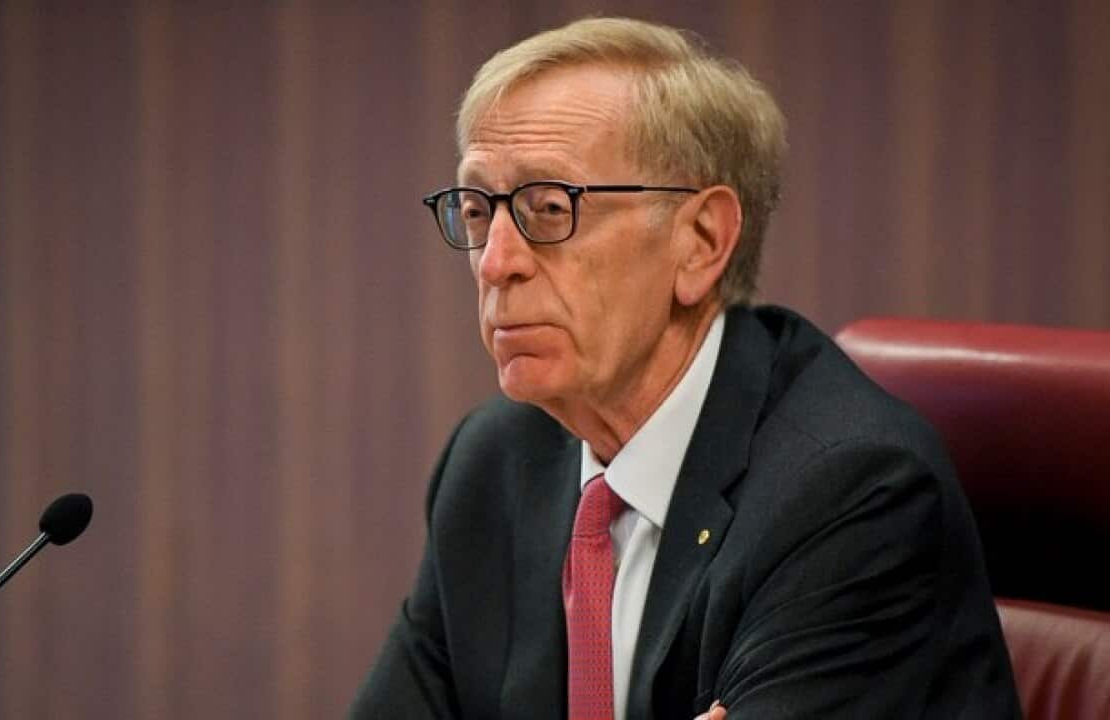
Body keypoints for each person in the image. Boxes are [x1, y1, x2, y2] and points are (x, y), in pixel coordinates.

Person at [351, 16, 1020, 720]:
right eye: (479, 207)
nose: (495, 261)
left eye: (549, 208)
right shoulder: (493, 465)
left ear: (700, 241)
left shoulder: (851, 494)